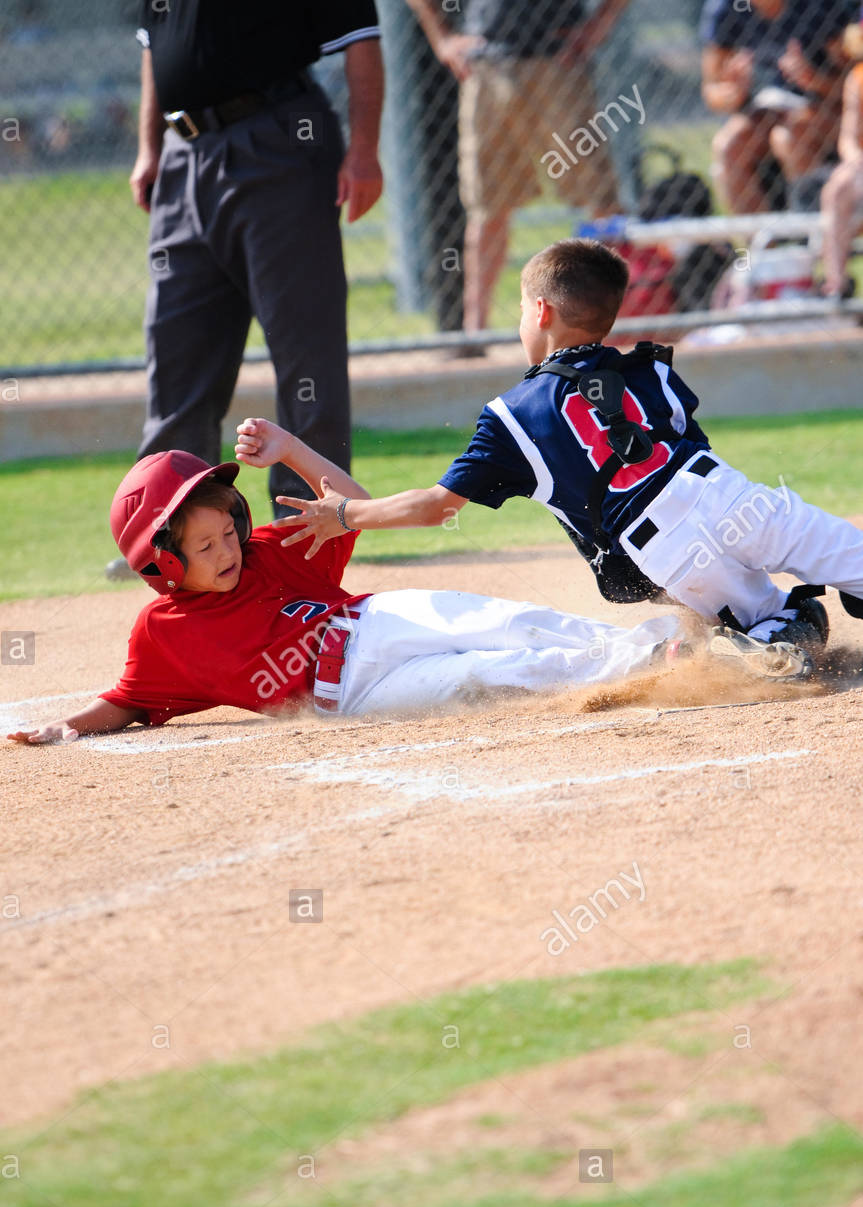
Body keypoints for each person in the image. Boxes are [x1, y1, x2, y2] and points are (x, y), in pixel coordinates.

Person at [237, 237, 863, 681]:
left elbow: (434, 507)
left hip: (666, 549)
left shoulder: (511, 414)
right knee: (847, 561)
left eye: (519, 308)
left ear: (540, 312)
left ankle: (766, 642)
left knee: (776, 630)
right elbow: (685, 444)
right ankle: (792, 614)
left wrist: (346, 514)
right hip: (729, 496)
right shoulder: (649, 367)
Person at [7, 448, 684, 745]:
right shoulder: (163, 634)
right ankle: (647, 670)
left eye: (227, 532)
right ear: (161, 566)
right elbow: (126, 699)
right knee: (491, 673)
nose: (227, 551)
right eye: (205, 547)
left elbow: (356, 506)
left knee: (500, 622)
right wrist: (69, 726)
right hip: (348, 699)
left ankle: (665, 646)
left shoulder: (270, 553)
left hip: (370, 625)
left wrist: (289, 449)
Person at [129, 1, 383, 518]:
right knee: (176, 349)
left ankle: (308, 524)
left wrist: (365, 151)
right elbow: (154, 48)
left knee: (305, 348)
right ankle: (174, 527)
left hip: (277, 139)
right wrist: (149, 148)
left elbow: (362, 37)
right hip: (183, 151)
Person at [404, 0, 629, 335]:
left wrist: (599, 24)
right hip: (488, 65)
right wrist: (442, 38)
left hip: (558, 60)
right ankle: (475, 332)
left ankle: (619, 320)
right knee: (487, 205)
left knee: (598, 197)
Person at [700, 0, 854, 214]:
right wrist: (733, 92)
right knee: (729, 147)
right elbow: (712, 90)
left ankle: (815, 235)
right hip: (768, 106)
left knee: (791, 137)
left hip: (827, 105)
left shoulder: (819, 6)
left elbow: (853, 82)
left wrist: (816, 82)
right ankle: (762, 243)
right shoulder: (727, 7)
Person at [820, 15, 863, 296]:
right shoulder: (858, 78)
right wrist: (857, 159)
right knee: (838, 186)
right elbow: (848, 137)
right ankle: (836, 285)